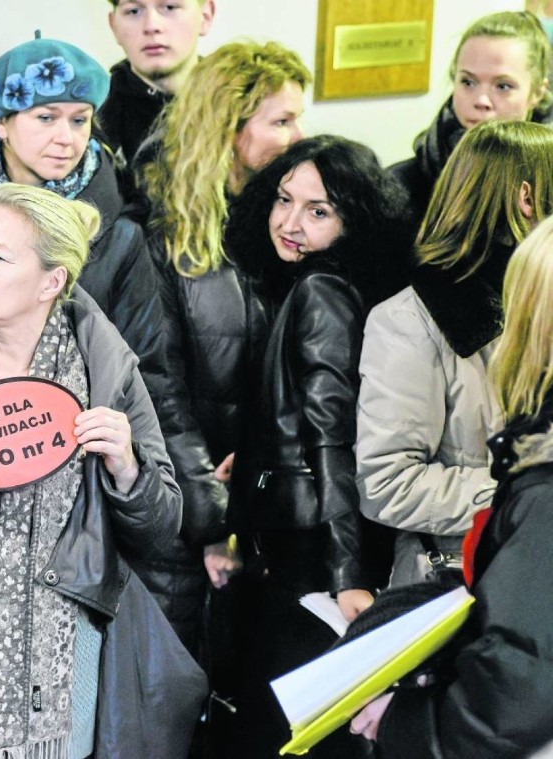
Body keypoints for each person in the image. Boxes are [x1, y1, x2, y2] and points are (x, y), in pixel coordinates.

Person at [0, 182, 184, 758]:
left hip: (64, 647)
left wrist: (127, 467)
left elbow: (162, 530)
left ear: (51, 282)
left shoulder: (107, 372)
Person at [222, 135, 410, 759]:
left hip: (312, 554)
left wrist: (346, 572)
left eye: (318, 210)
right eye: (284, 199)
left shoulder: (321, 292)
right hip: (308, 543)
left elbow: (332, 437)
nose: (290, 222)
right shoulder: (325, 284)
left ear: (353, 220)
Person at [350, 210, 553, 759]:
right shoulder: (408, 320)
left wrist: (405, 724)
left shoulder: (545, 492)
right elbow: (388, 478)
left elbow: (519, 685)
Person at [132, 40, 310, 664]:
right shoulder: (164, 236)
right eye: (282, 120)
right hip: (192, 518)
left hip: (277, 506)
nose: (298, 135)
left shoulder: (293, 223)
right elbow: (160, 390)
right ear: (229, 127)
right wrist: (214, 520)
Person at [0, 34, 169, 419]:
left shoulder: (120, 236)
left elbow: (144, 374)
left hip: (68, 450)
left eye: (80, 120)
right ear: (2, 122)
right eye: (46, 117)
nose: (66, 138)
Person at [356, 119, 553, 589]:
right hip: (458, 581)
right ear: (527, 200)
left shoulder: (539, 301)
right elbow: (387, 484)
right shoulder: (409, 320)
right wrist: (521, 496)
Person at [389, 10, 552, 235]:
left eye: (503, 86)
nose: (481, 100)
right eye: (468, 82)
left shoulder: (547, 186)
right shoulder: (399, 188)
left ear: (537, 93)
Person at [100, 0, 216, 166]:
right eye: (133, 11)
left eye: (170, 7)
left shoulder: (245, 104)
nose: (151, 26)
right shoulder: (91, 118)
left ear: (205, 16)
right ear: (113, 25)